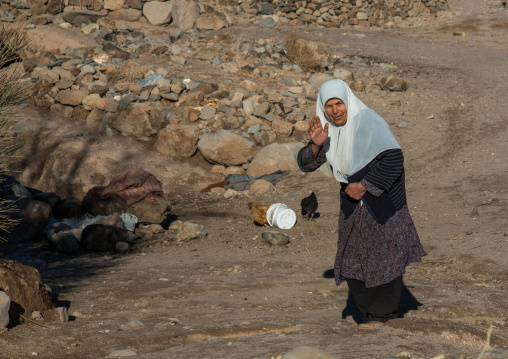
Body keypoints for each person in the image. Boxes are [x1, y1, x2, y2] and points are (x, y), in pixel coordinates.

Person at [297, 79, 426, 330]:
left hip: (382, 203)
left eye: (339, 104)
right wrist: (316, 144)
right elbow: (305, 165)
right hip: (352, 204)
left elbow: (394, 158)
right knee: (352, 259)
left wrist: (365, 185)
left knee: (384, 259)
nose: (335, 111)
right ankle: (368, 312)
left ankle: (382, 315)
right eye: (329, 106)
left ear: (348, 102)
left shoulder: (369, 122)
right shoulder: (330, 131)